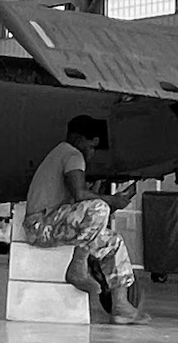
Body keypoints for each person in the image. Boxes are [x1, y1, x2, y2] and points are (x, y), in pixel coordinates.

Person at [21, 116, 147, 324]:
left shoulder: (60, 153)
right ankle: (77, 267)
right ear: (79, 140)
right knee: (99, 207)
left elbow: (78, 209)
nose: (92, 153)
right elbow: (80, 195)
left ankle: (120, 305)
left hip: (49, 224)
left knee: (113, 242)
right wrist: (112, 200)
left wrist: (111, 201)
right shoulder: (72, 154)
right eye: (91, 146)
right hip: (41, 226)